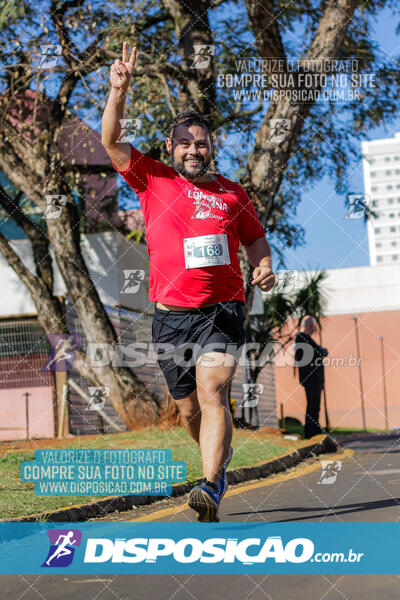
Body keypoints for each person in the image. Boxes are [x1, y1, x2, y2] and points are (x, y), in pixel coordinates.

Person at [101, 42, 275, 521]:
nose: (193, 150)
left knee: (213, 389)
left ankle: (211, 485)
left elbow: (256, 242)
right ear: (171, 147)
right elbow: (112, 141)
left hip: (222, 309)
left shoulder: (232, 193)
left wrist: (262, 264)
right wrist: (118, 93)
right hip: (170, 317)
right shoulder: (151, 178)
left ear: (211, 147)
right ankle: (217, 460)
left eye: (201, 143)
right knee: (189, 412)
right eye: (185, 143)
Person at [294, 315, 328, 439]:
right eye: (313, 326)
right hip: (311, 378)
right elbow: (320, 352)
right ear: (310, 326)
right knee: (313, 405)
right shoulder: (302, 338)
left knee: (315, 405)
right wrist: (321, 351)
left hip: (314, 378)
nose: (314, 329)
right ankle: (311, 431)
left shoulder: (305, 339)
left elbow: (320, 351)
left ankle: (313, 429)